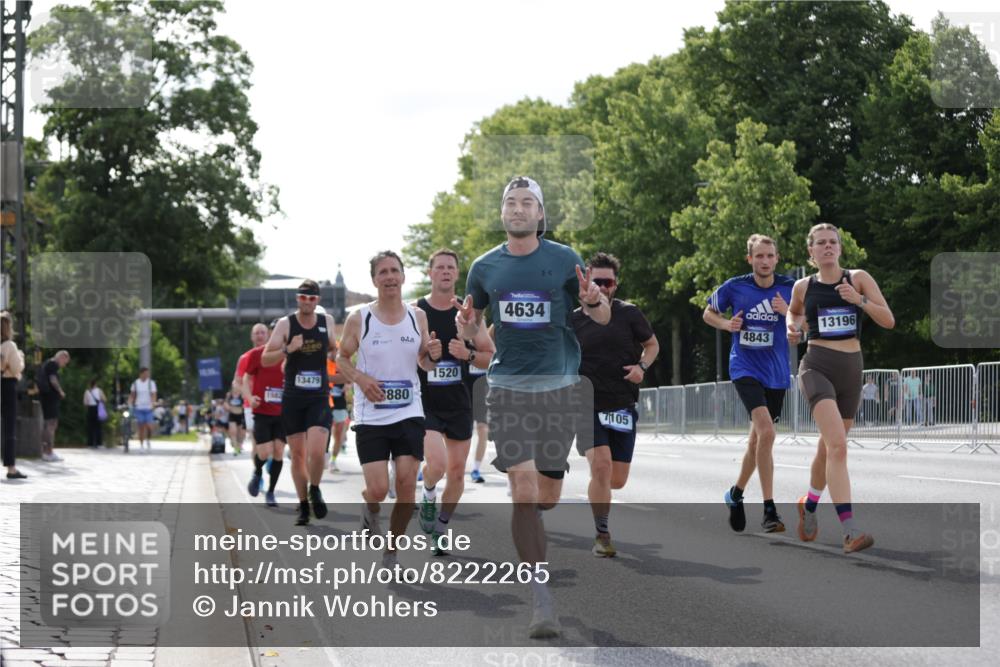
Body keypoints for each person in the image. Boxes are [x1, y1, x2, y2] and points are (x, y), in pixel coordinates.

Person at [456, 175, 610, 638]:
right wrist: (466, 329)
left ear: (541, 214)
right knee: (522, 490)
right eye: (510, 202)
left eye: (527, 203)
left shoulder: (565, 260)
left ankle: (537, 529)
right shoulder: (484, 268)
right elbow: (474, 328)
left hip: (560, 388)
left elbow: (599, 316)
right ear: (502, 212)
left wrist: (594, 301)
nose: (518, 209)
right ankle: (542, 599)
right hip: (506, 387)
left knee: (546, 495)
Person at [787, 223, 895, 554]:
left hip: (851, 370)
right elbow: (793, 314)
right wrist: (792, 328)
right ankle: (850, 531)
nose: (828, 247)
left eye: (833, 242)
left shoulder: (858, 278)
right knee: (838, 447)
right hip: (817, 365)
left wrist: (859, 300)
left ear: (840, 248)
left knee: (828, 448)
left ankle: (810, 504)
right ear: (811, 251)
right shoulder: (803, 286)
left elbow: (888, 320)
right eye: (821, 243)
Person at [337, 250, 442, 567]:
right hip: (371, 415)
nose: (390, 277)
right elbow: (341, 358)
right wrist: (360, 378)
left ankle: (392, 551)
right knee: (380, 489)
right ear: (374, 280)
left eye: (394, 271)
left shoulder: (417, 316)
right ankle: (369, 507)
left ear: (403, 276)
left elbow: (423, 360)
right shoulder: (360, 319)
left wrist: (433, 354)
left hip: (409, 411)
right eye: (383, 272)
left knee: (407, 485)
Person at [704, 235, 796, 533]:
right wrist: (725, 325)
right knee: (767, 432)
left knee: (757, 441)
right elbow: (708, 312)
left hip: (777, 372)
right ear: (750, 259)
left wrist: (790, 314)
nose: (765, 261)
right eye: (759, 256)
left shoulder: (791, 289)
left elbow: (806, 322)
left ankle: (736, 494)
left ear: (777, 258)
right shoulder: (735, 286)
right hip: (744, 367)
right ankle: (770, 510)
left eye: (770, 256)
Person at [573, 252, 659, 557]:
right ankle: (602, 533)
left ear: (615, 285)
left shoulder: (629, 314)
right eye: (597, 281)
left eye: (608, 282)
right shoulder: (573, 319)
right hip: (586, 405)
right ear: (586, 281)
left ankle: (598, 493)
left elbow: (652, 344)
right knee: (601, 466)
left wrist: (642, 368)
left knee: (617, 480)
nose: (602, 287)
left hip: (622, 405)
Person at [413, 249, 495, 552]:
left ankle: (441, 528)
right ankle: (429, 493)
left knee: (458, 473)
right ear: (430, 272)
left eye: (451, 267)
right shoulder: (415, 311)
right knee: (437, 463)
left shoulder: (468, 314)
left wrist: (468, 354)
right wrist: (425, 356)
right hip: (425, 402)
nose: (446, 272)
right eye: (440, 267)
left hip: (460, 402)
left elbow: (490, 357)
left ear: (457, 274)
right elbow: (403, 357)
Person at [262, 279, 337, 526]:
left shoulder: (326, 322)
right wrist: (288, 349)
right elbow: (265, 359)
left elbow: (334, 349)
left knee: (316, 452)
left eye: (312, 298)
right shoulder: (286, 324)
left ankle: (315, 488)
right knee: (297, 454)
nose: (307, 302)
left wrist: (334, 356)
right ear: (297, 298)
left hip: (318, 397)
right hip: (293, 398)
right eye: (303, 298)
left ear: (318, 300)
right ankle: (303, 505)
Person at [243, 320, 286, 507]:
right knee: (264, 451)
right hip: (262, 411)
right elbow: (246, 377)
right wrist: (249, 397)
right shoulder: (257, 354)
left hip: (283, 412)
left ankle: (270, 492)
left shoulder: (290, 355)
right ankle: (257, 472)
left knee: (278, 451)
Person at [1, 312, 27, 479]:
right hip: (7, 385)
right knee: (9, 427)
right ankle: (11, 468)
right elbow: (17, 369)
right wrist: (21, 358)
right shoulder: (9, 345)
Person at [36, 350, 70, 462]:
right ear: (62, 357)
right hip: (50, 398)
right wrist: (60, 391)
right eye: (65, 362)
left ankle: (46, 451)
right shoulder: (53, 364)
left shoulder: (48, 363)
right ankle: (48, 452)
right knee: (51, 424)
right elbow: (53, 380)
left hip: (47, 398)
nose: (64, 365)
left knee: (49, 424)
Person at [326, 347, 350, 472]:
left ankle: (333, 460)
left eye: (336, 350)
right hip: (324, 404)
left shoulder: (343, 364)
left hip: (340, 403)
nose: (333, 353)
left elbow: (351, 378)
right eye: (331, 350)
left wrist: (348, 385)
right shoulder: (323, 363)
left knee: (339, 433)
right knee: (325, 432)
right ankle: (324, 453)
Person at [129, 367, 157, 452]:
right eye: (145, 373)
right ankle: (141, 446)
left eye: (147, 373)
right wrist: (129, 403)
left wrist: (153, 403)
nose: (147, 375)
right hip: (139, 408)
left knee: (149, 426)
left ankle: (148, 439)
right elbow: (132, 395)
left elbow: (153, 394)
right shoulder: (135, 383)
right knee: (141, 427)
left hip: (148, 408)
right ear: (141, 374)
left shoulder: (151, 383)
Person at [83, 378, 108, 448]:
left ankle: (90, 443)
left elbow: (85, 403)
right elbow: (104, 399)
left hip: (90, 409)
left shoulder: (87, 391)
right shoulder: (99, 391)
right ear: (95, 384)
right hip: (97, 409)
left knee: (90, 427)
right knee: (98, 427)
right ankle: (99, 443)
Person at [225, 384, 246, 455]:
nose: (236, 388)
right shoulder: (229, 395)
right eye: (234, 387)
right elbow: (226, 403)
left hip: (240, 415)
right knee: (233, 432)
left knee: (240, 434)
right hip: (232, 415)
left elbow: (245, 404)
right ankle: (235, 448)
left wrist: (241, 408)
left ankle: (239, 446)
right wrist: (228, 407)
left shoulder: (242, 395)